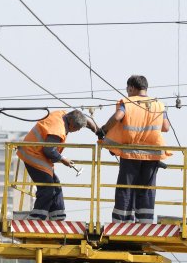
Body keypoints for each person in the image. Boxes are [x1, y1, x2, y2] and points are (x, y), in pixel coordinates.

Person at [97, 75, 171, 223]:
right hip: (152, 156)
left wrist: (104, 130)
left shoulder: (127, 103)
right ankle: (145, 222)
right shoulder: (159, 105)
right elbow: (166, 127)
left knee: (126, 188)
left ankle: (121, 221)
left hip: (131, 153)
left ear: (131, 88)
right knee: (147, 189)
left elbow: (118, 117)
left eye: (127, 89)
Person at [17, 110, 98, 220]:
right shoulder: (57, 129)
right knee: (47, 188)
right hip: (32, 154)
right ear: (70, 122)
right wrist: (63, 159)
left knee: (55, 184)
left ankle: (57, 215)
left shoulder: (63, 114)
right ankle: (36, 217)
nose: (77, 130)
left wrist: (95, 128)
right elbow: (49, 150)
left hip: (38, 153)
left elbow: (81, 117)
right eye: (76, 127)